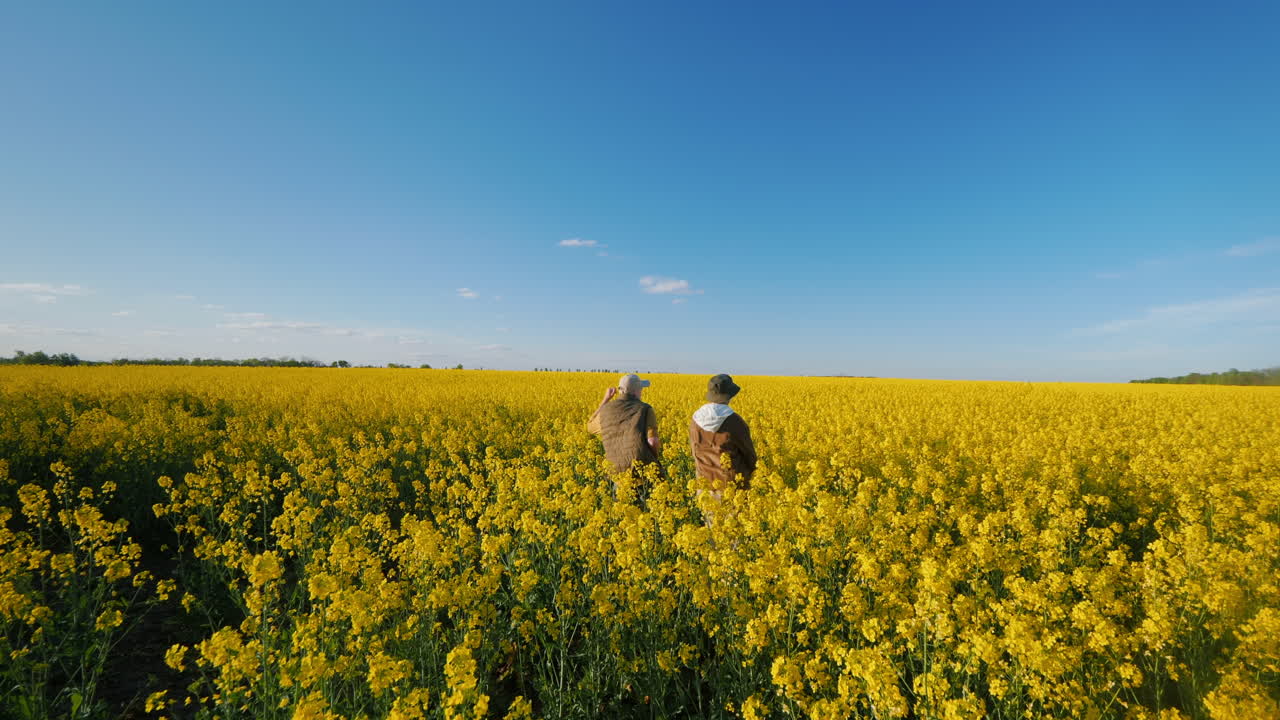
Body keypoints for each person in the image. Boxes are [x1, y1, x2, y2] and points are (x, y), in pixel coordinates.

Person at [689, 374, 757, 521]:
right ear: (728, 396)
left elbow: (694, 452)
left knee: (712, 534)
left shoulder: (695, 420)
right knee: (733, 537)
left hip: (705, 486)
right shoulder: (734, 422)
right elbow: (749, 455)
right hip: (731, 488)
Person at [587, 373, 662, 499]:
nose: (642, 391)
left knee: (621, 512)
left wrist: (605, 400)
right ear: (637, 391)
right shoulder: (645, 409)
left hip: (617, 474)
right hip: (642, 474)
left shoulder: (606, 411)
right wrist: (654, 460)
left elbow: (589, 427)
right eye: (641, 389)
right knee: (648, 511)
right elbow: (653, 441)